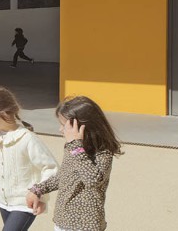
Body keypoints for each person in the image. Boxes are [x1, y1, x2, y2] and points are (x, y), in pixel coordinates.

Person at [27, 95, 122, 230]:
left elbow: (93, 180)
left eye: (64, 125)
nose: (61, 130)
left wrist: (76, 147)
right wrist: (38, 189)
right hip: (62, 222)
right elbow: (64, 176)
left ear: (83, 127)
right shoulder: (72, 148)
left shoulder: (103, 153)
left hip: (85, 226)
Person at [0, 85, 57, 231]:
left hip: (25, 203)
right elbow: (0, 166)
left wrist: (39, 193)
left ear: (3, 114)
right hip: (4, 202)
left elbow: (51, 168)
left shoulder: (27, 139)